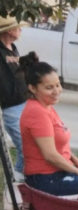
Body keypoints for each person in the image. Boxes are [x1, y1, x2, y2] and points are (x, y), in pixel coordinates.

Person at [19, 58, 78, 195]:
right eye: (49, 87)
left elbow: (60, 147)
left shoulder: (47, 106)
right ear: (32, 88)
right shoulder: (37, 112)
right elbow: (50, 155)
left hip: (60, 172)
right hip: (45, 179)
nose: (56, 91)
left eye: (58, 85)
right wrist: (77, 171)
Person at [0, 16, 29, 180]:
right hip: (11, 108)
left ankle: (18, 178)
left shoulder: (12, 48)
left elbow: (14, 63)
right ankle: (16, 180)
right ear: (9, 30)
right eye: (18, 27)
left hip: (24, 104)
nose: (21, 30)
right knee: (26, 148)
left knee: (26, 148)